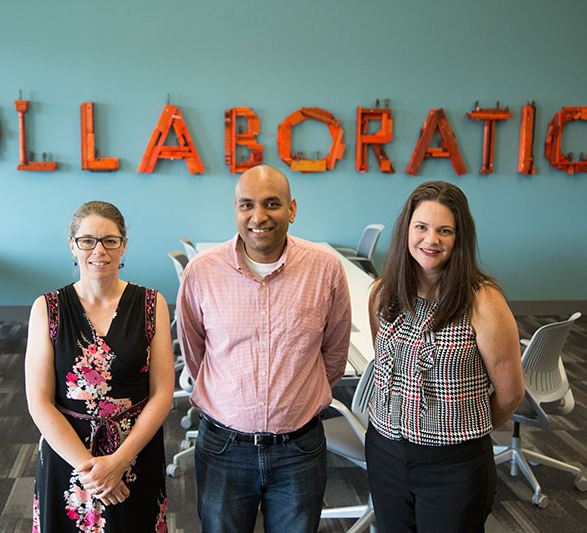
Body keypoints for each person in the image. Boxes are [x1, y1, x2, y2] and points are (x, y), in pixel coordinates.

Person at [176, 165, 352, 533]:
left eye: (272, 204)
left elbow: (335, 352)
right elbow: (194, 355)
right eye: (247, 205)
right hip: (224, 447)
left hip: (299, 448)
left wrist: (299, 397)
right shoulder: (202, 272)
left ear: (292, 209)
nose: (258, 216)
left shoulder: (325, 269)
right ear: (236, 210)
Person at [366, 181, 524, 532]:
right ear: (406, 230)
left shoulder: (483, 302)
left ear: (460, 237)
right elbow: (385, 370)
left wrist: (460, 431)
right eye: (421, 227)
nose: (430, 240)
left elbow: (511, 393)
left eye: (445, 230)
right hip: (385, 454)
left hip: (454, 466)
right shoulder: (383, 294)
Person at [26, 201, 174, 532]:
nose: (99, 250)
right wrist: (90, 472)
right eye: (87, 240)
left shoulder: (152, 305)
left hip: (134, 454)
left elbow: (163, 394)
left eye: (110, 240)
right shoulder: (47, 308)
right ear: (72, 245)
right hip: (70, 458)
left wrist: (118, 463)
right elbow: (39, 402)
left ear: (123, 245)